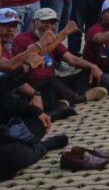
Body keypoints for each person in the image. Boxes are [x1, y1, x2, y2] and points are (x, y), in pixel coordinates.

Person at [11, 9, 108, 112]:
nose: (49, 26)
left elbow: (71, 58)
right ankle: (81, 98)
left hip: (53, 79)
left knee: (87, 71)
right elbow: (36, 52)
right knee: (52, 82)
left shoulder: (53, 39)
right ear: (34, 23)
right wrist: (64, 32)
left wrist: (92, 66)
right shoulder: (22, 39)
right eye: (44, 22)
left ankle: (63, 98)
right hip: (33, 83)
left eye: (52, 23)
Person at [0, 51, 69, 182]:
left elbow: (6, 102)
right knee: (11, 154)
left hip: (7, 128)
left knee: (40, 122)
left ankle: (50, 116)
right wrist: (26, 67)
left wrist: (35, 112)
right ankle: (42, 147)